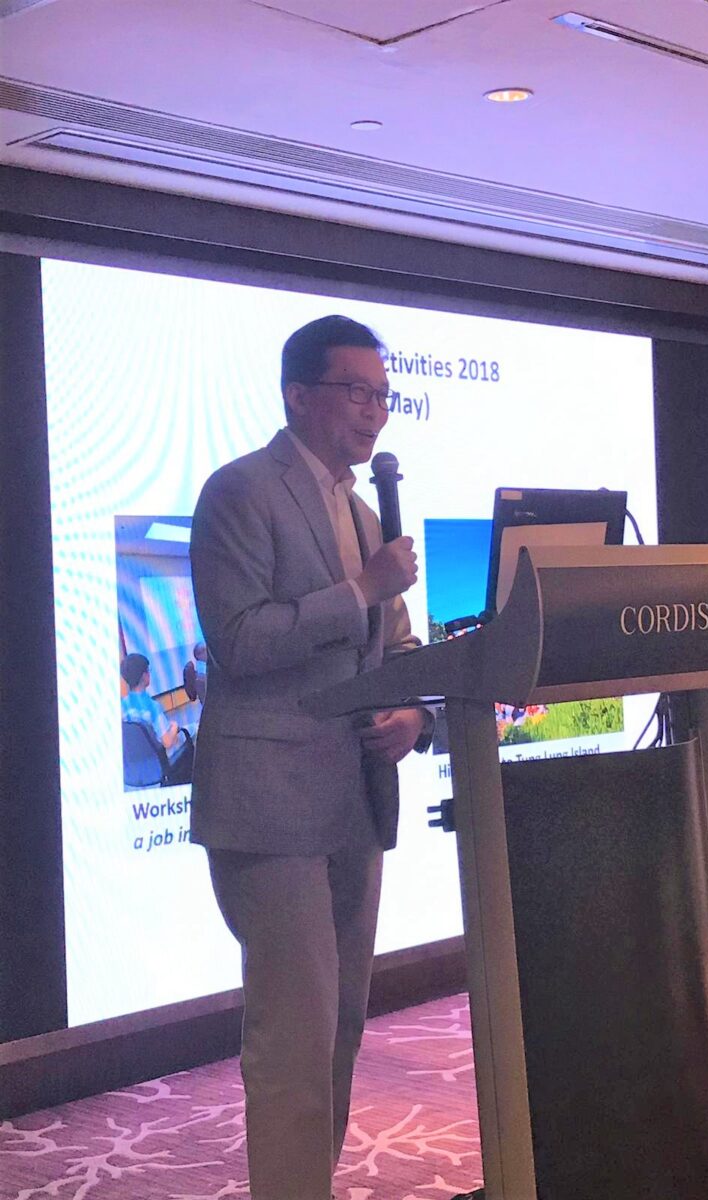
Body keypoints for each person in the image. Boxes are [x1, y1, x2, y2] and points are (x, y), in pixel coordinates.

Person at [189, 315, 430, 1200]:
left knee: (340, 1030)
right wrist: (361, 588)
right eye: (357, 391)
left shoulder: (365, 515)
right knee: (293, 1036)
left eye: (384, 395)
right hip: (270, 802)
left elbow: (400, 649)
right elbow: (240, 641)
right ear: (298, 394)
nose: (375, 411)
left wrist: (414, 716)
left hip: (353, 802)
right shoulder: (239, 492)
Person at [121, 651, 193, 782]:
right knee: (194, 730)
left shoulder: (122, 705)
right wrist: (175, 726)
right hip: (160, 760)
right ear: (144, 676)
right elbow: (168, 742)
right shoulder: (152, 707)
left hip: (137, 764)